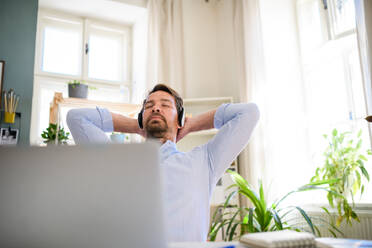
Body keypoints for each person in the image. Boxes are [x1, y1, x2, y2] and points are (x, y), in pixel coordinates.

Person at [66, 84, 260, 242]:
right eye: (149, 106)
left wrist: (192, 124)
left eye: (165, 105)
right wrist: (137, 125)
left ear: (180, 118)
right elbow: (77, 118)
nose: (156, 108)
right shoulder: (119, 163)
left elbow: (249, 113)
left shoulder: (204, 160)